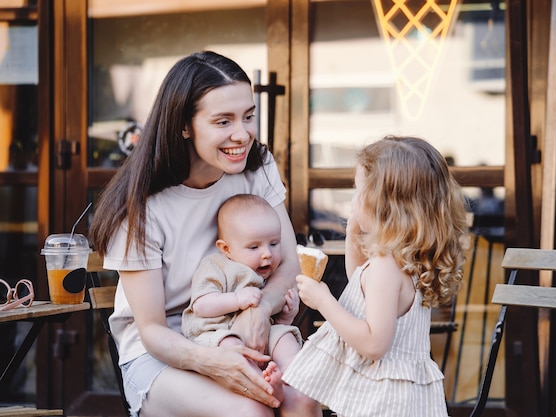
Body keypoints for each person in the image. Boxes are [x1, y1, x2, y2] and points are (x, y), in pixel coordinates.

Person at [90, 51, 320, 417]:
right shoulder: (141, 205)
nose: (241, 135)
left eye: (248, 117)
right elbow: (152, 330)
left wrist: (259, 309)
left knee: (302, 398)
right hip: (163, 353)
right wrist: (215, 361)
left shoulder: (256, 167)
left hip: (242, 326)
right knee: (250, 411)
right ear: (184, 125)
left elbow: (288, 264)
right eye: (223, 121)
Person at [282, 136, 468, 417]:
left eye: (358, 191)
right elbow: (360, 284)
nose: (353, 200)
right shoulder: (404, 259)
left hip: (383, 403)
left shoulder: (386, 266)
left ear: (384, 203)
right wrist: (354, 232)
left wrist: (323, 302)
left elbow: (373, 344)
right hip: (396, 397)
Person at [181, 194, 311, 413]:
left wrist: (286, 316)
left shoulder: (268, 272)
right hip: (219, 332)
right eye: (254, 247)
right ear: (226, 248)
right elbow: (201, 305)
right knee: (231, 345)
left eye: (274, 243)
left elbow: (270, 320)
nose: (267, 254)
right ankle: (262, 385)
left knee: (284, 336)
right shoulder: (216, 266)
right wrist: (236, 300)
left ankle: (291, 374)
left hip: (259, 334)